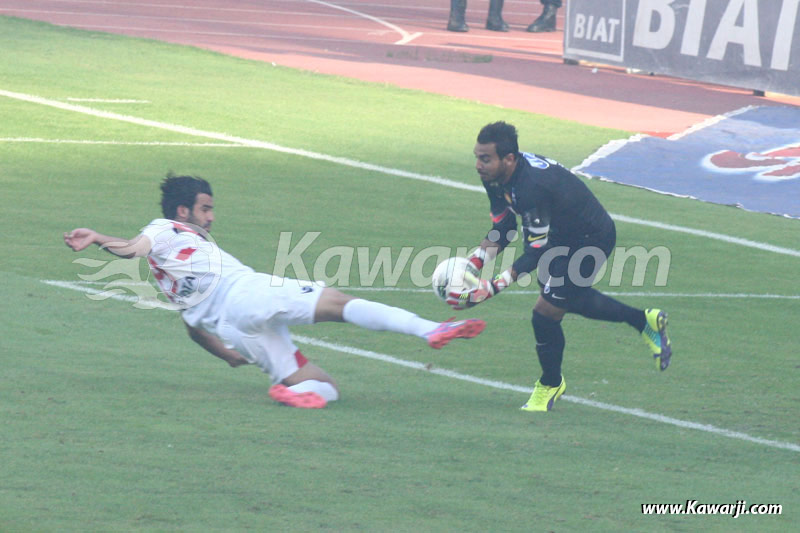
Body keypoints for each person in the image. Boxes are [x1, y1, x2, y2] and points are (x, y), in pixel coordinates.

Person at [64, 174, 486, 409]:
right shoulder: (164, 230)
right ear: (183, 211)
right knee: (340, 302)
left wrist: (230, 356)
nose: (211, 216)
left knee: (325, 387)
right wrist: (100, 236)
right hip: (248, 293)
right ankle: (430, 329)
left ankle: (293, 392)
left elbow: (192, 327)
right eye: (205, 208)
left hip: (235, 331)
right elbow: (133, 249)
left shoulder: (169, 277)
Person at [446, 122, 671, 412]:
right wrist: (472, 265)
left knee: (545, 313)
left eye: (485, 159)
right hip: (560, 236)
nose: (478, 165)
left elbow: (535, 251)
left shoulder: (531, 188)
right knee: (564, 298)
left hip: (590, 238)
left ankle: (550, 384)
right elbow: (503, 228)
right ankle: (644, 322)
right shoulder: (495, 175)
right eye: (477, 157)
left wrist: (491, 287)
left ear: (509, 159)